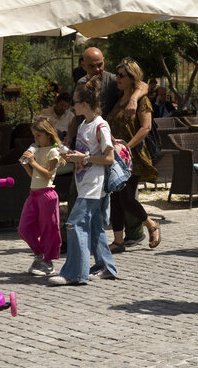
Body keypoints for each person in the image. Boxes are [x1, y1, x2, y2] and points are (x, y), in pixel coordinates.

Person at [49, 78, 119, 285]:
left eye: (75, 101)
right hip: (84, 184)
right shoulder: (83, 125)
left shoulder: (101, 126)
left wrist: (84, 158)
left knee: (74, 224)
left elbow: (109, 158)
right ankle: (105, 267)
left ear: (85, 104)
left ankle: (74, 273)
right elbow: (83, 154)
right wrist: (70, 154)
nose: (73, 104)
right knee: (95, 227)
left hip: (94, 185)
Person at [107, 57, 161, 252]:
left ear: (132, 78)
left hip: (132, 157)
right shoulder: (119, 98)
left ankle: (151, 224)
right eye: (117, 74)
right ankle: (118, 241)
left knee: (126, 197)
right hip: (115, 157)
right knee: (115, 198)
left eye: (121, 75)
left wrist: (126, 148)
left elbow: (145, 128)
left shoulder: (142, 101)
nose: (117, 78)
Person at [18, 115, 66, 276]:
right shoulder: (37, 150)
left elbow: (47, 174)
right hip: (34, 193)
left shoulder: (53, 151)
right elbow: (35, 176)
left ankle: (48, 261)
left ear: (48, 134)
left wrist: (32, 162)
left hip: (47, 194)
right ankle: (39, 254)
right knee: (24, 228)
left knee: (49, 230)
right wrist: (26, 166)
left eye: (38, 135)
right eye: (34, 136)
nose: (36, 139)